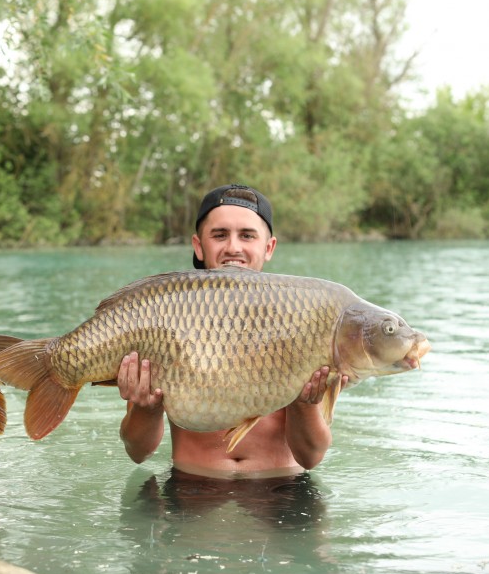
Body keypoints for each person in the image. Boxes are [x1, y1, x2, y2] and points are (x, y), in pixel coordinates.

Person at [117, 184, 349, 479]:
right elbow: (138, 452)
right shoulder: (167, 315)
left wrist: (304, 404)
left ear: (269, 247)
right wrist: (145, 409)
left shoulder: (302, 319)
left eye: (247, 235)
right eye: (219, 235)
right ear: (199, 245)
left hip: (282, 493)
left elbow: (312, 457)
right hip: (192, 490)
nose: (233, 247)